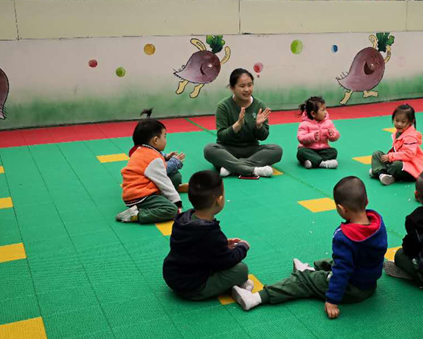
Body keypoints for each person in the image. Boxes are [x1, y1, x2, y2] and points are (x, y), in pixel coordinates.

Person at [231, 176, 387, 319]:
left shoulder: (345, 236)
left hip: (351, 289)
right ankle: (312, 272)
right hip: (368, 284)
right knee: (331, 261)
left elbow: (342, 272)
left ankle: (256, 298)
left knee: (302, 280)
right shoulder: (377, 224)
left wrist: (332, 300)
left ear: (342, 209)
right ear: (366, 201)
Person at [162, 170, 254, 300]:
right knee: (241, 269)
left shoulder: (184, 219)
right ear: (219, 200)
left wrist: (223, 245)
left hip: (173, 275)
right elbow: (227, 260)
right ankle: (232, 287)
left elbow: (195, 248)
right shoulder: (210, 233)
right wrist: (243, 247)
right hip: (193, 287)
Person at [203, 68, 283, 178]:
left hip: (251, 150)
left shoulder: (259, 105)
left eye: (250, 85)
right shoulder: (224, 106)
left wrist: (259, 126)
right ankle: (253, 169)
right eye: (242, 86)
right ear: (232, 88)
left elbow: (263, 137)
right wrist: (237, 126)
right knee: (209, 149)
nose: (247, 89)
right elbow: (221, 136)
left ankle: (231, 167)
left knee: (276, 150)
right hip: (228, 149)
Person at [116, 115, 181, 224]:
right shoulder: (153, 159)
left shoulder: (143, 150)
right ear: (155, 140)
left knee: (175, 177)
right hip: (140, 196)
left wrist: (165, 157)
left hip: (134, 191)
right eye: (164, 136)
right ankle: (135, 215)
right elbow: (164, 182)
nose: (166, 139)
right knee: (171, 210)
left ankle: (150, 202)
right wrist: (177, 203)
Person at [370, 103, 423, 186]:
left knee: (396, 165)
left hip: (411, 168)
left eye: (403, 122)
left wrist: (390, 157)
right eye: (397, 120)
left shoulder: (411, 136)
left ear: (411, 122)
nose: (399, 124)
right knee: (377, 154)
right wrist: (388, 157)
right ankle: (382, 174)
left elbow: (409, 155)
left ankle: (380, 171)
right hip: (399, 160)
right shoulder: (398, 133)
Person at [296, 96, 340, 169]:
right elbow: (301, 138)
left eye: (325, 109)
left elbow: (336, 135)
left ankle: (313, 162)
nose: (325, 112)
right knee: (301, 152)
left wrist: (333, 135)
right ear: (313, 113)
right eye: (322, 110)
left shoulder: (328, 122)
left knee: (333, 152)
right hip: (308, 149)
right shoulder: (304, 124)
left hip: (323, 150)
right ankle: (323, 163)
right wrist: (311, 137)